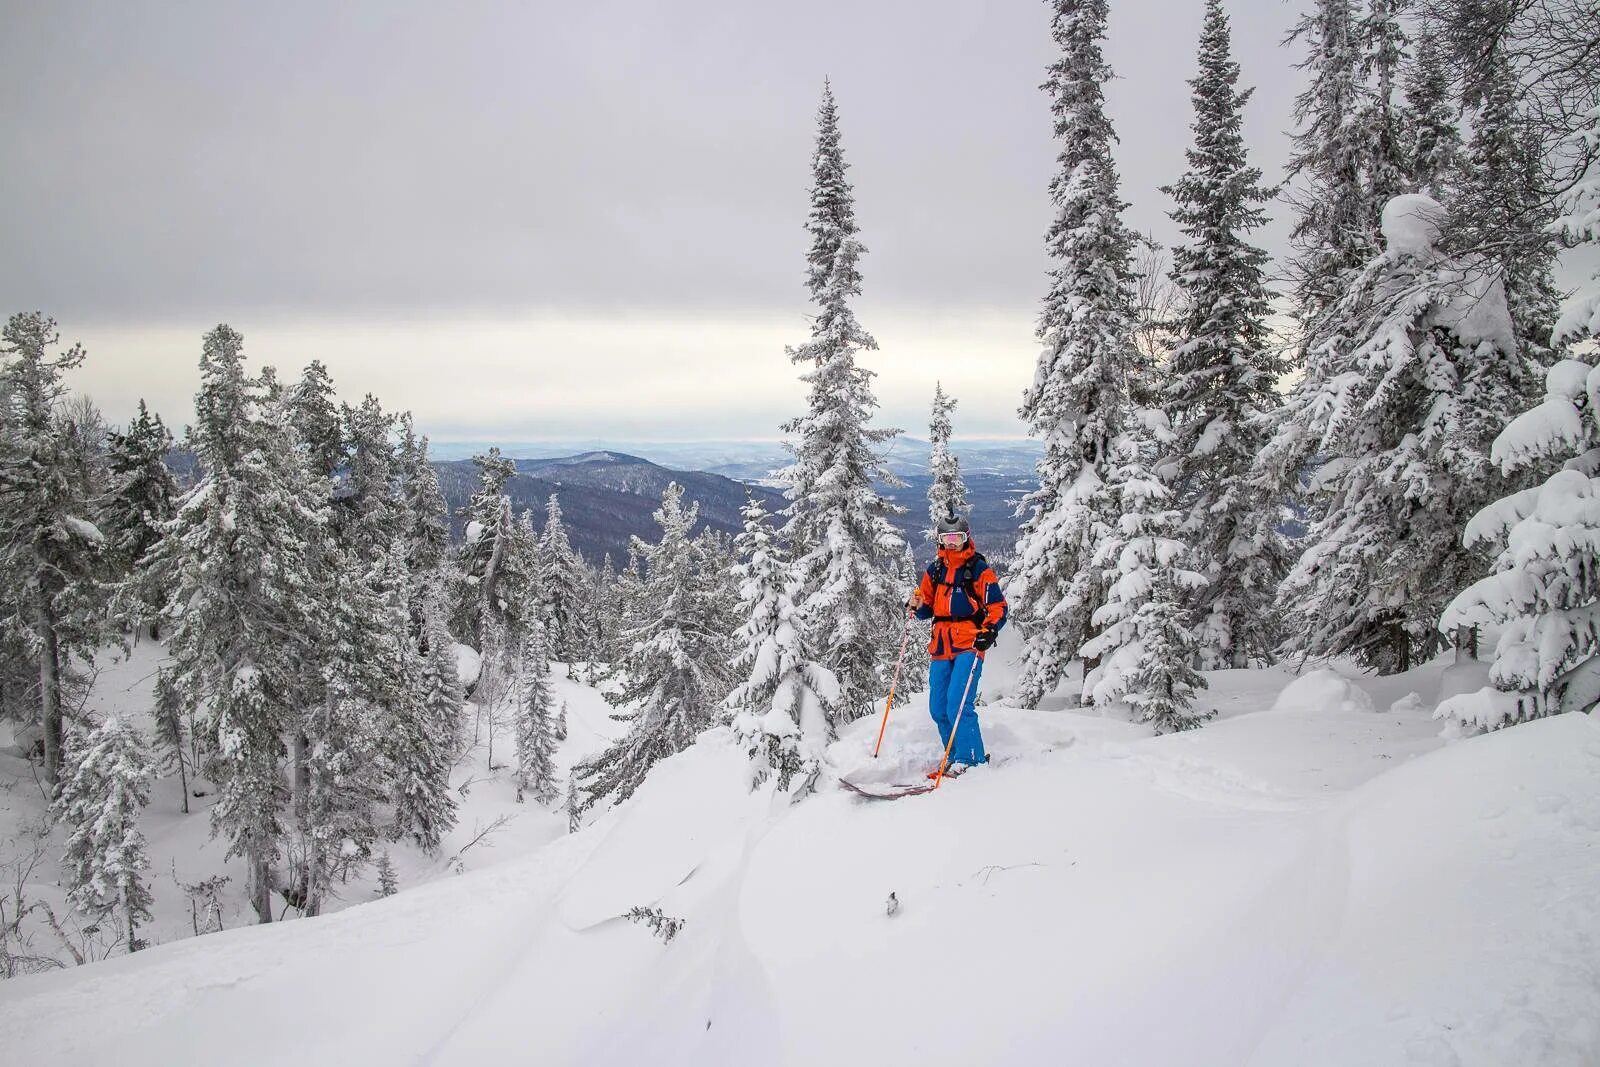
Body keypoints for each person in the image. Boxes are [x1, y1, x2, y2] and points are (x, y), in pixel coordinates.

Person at [908, 512, 1007, 777]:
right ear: (940, 540)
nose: (951, 543)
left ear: (966, 538)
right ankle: (953, 756)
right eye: (946, 538)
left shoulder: (978, 569)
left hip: (970, 642)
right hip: (941, 644)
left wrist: (990, 630)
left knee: (958, 704)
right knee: (938, 707)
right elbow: (927, 607)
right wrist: (916, 607)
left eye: (957, 537)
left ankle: (971, 759)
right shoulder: (935, 570)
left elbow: (998, 606)